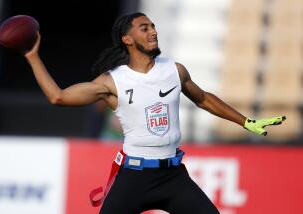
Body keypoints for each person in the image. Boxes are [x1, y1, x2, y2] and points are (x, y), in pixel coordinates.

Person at [24, 12, 286, 214]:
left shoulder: (175, 70)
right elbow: (57, 97)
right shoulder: (112, 82)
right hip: (134, 177)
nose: (153, 31)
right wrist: (32, 56)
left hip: (173, 177)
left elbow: (204, 99)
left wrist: (246, 122)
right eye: (144, 28)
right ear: (127, 39)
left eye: (153, 26)